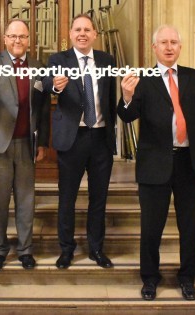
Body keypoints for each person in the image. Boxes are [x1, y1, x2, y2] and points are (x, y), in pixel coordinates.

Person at [118, 24, 195, 301]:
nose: (169, 47)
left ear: (180, 47)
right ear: (154, 47)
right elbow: (126, 116)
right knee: (151, 227)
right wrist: (126, 96)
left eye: (174, 42)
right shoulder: (142, 78)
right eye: (163, 42)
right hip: (154, 164)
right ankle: (150, 278)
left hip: (187, 163)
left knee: (190, 226)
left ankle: (187, 278)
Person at [0, 19, 50, 271]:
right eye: (13, 36)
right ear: (5, 38)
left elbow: (43, 107)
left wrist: (43, 142)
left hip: (26, 143)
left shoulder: (37, 66)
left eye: (22, 36)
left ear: (29, 40)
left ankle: (25, 250)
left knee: (26, 200)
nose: (18, 41)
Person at [43, 14, 117, 269]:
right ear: (71, 34)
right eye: (78, 29)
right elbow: (45, 84)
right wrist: (55, 86)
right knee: (67, 198)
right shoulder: (58, 60)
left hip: (100, 138)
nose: (82, 33)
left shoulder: (107, 60)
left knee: (99, 199)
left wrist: (112, 136)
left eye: (87, 29)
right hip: (72, 140)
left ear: (95, 34)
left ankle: (96, 248)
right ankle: (66, 250)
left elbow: (109, 99)